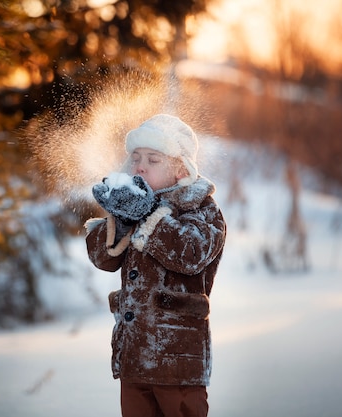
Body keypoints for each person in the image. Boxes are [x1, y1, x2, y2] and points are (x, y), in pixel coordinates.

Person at [85, 114, 226, 417]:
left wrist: (149, 212)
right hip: (135, 356)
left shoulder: (201, 209)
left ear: (180, 169)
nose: (140, 165)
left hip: (177, 360)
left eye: (153, 159)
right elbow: (102, 257)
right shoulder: (133, 208)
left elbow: (191, 254)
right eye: (135, 157)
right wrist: (120, 217)